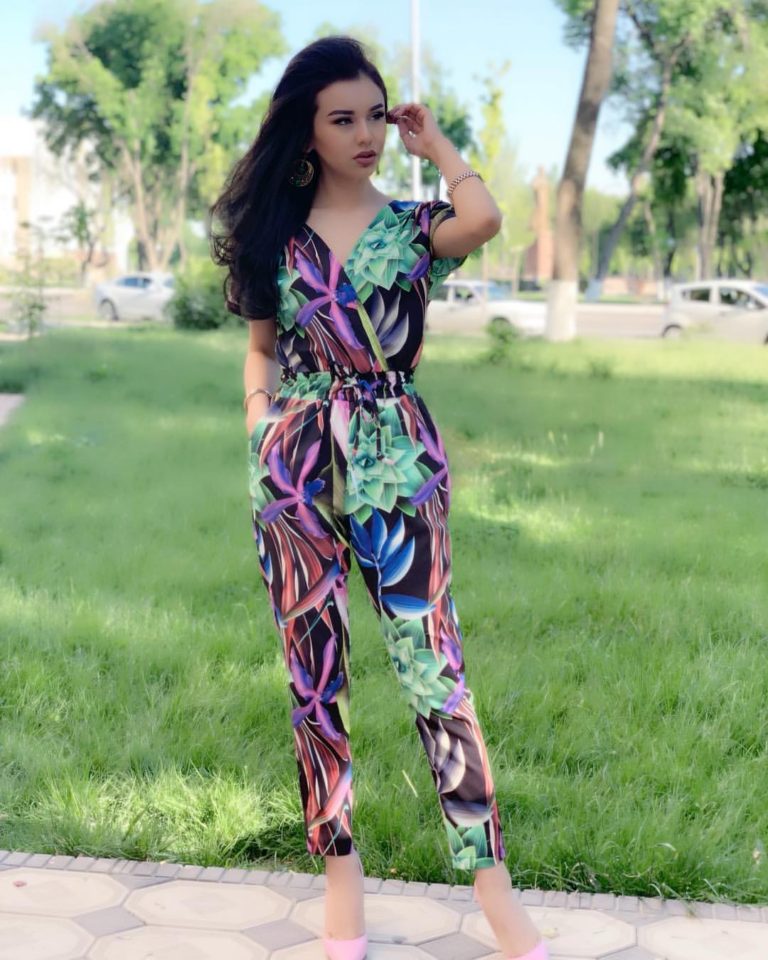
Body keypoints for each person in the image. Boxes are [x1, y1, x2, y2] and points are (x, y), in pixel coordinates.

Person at [210, 35, 548, 960]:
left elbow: (483, 220)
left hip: (397, 455)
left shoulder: (410, 225)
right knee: (314, 677)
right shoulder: (274, 235)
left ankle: (494, 891)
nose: (363, 134)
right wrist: (259, 423)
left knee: (434, 666)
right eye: (342, 119)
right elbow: (260, 348)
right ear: (306, 131)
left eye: (373, 115)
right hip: (295, 464)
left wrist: (435, 145)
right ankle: (341, 880)